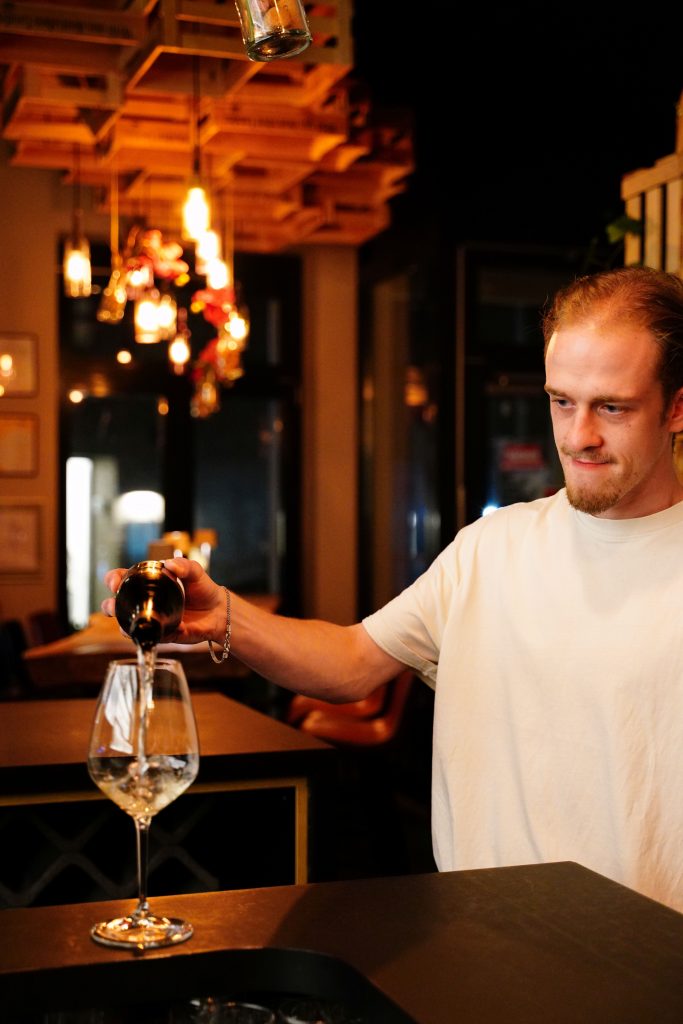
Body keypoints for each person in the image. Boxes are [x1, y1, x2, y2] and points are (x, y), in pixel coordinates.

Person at [103, 265, 683, 912]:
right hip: (481, 940)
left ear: (677, 406)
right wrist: (224, 616)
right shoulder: (490, 549)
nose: (578, 437)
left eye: (612, 407)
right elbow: (351, 662)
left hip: (646, 957)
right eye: (561, 402)